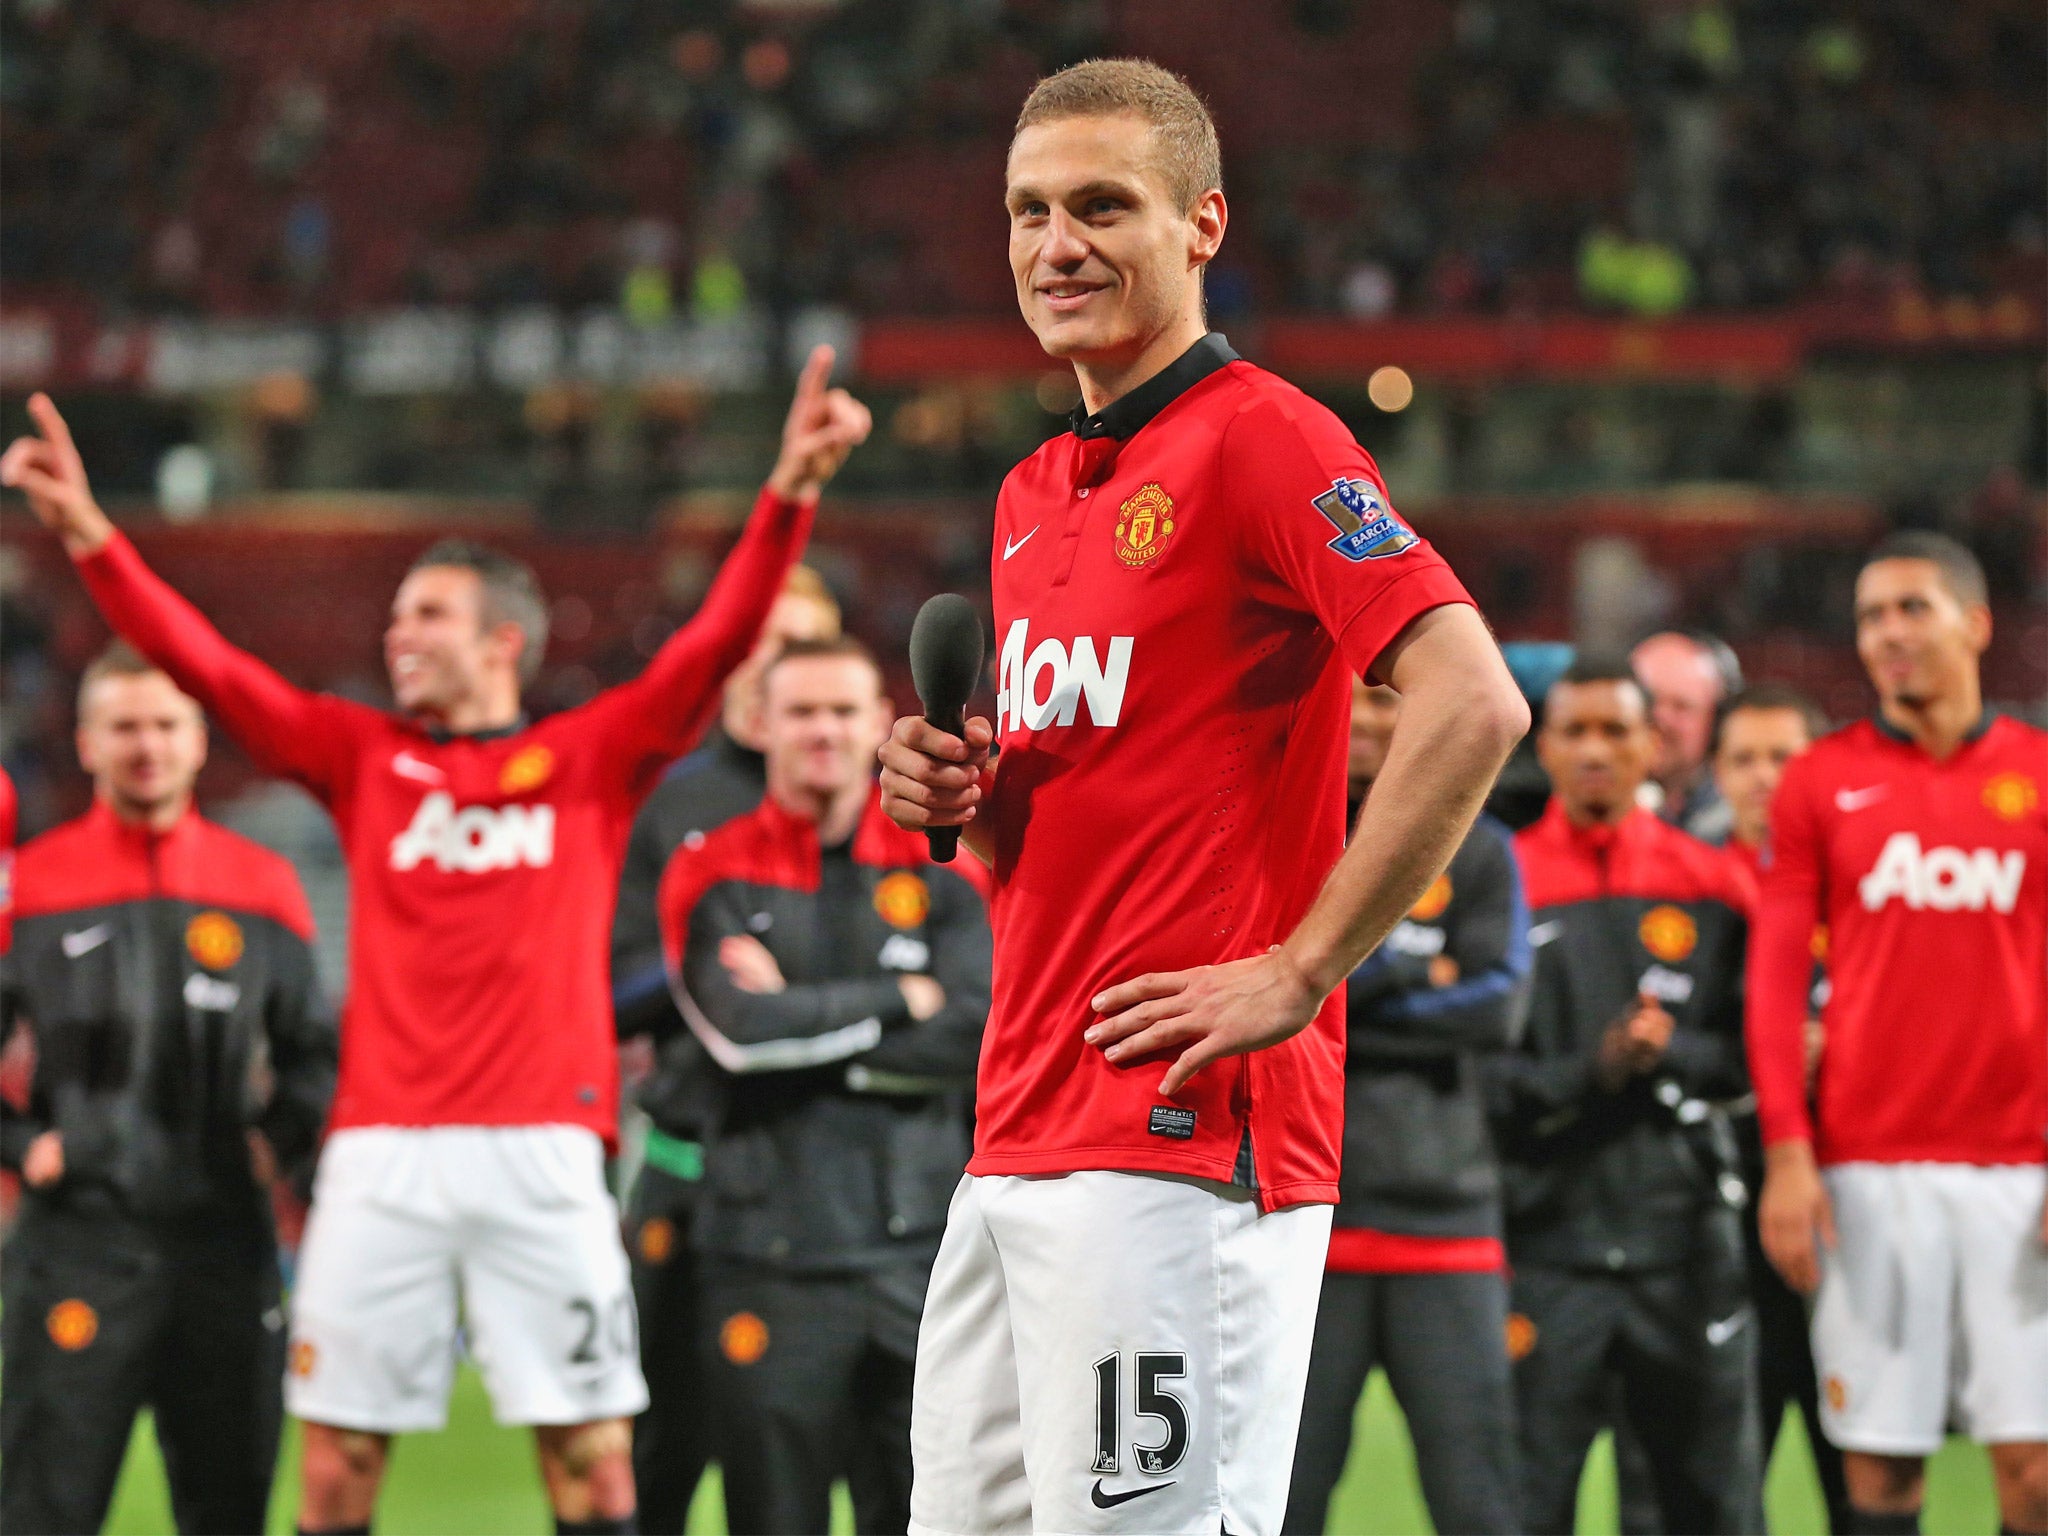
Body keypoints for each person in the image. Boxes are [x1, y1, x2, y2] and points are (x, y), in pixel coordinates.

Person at [0, 352, 868, 1536]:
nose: (396, 630)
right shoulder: (363, 759)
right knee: (336, 1473)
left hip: (544, 1153)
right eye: (398, 612)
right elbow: (209, 665)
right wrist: (94, 535)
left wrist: (787, 492)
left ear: (501, 640)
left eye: (426, 614)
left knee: (597, 1471)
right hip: (382, 1159)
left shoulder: (588, 758)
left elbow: (713, 646)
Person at [877, 59, 1528, 1536]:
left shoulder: (1268, 438)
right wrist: (963, 794)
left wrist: (1303, 968)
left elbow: (1474, 699)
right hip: (1020, 1126)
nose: (1059, 245)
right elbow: (1058, 828)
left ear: (1201, 225)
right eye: (1029, 212)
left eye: (1104, 205)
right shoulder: (1033, 487)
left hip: (1180, 1146)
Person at [1, 644, 336, 1535]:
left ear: (197, 742)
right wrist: (21, 1144)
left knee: (229, 1510)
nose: (144, 745)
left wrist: (278, 1142)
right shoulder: (29, 885)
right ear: (85, 743)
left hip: (225, 1246)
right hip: (77, 1242)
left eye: (164, 724)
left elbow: (316, 1054)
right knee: (41, 1511)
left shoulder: (261, 884)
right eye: (122, 726)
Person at [1750, 532, 2048, 1536]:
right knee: (1876, 1475)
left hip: (2021, 1168)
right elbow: (1775, 982)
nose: (1886, 633)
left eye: (1910, 608)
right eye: (1870, 615)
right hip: (1861, 1169)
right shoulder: (1818, 783)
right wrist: (1787, 1155)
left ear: (1974, 623)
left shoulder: (2038, 777)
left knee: (2034, 1471)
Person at [658, 636, 990, 1534]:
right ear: (760, 724)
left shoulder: (946, 861)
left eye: (844, 712)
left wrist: (809, 1026)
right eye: (801, 711)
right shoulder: (710, 865)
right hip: (767, 1257)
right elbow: (737, 1034)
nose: (823, 732)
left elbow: (978, 1032)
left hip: (919, 1252)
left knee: (929, 1514)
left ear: (880, 727)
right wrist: (900, 1001)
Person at [1486, 658, 1764, 1536]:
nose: (1597, 750)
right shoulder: (1505, 879)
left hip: (1683, 1245)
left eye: (1617, 730)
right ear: (1546, 748)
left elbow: (1756, 1060)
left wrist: (1670, 1051)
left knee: (1710, 1507)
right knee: (1527, 1507)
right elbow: (1482, 1080)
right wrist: (1592, 1072)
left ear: (1654, 745)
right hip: (1545, 1245)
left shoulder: (1715, 883)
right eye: (1575, 731)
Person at [611, 563, 841, 1534]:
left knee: (840, 1462)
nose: (771, 665)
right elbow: (612, 989)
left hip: (842, 1187)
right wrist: (706, 966)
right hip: (691, 1169)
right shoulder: (667, 802)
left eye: (798, 643)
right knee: (655, 1452)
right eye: (758, 640)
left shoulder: (878, 805)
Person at [1282, 679, 1530, 1536]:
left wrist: (1316, 986)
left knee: (1479, 1505)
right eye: (1347, 699)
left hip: (1447, 1219)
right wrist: (1422, 973)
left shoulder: (1482, 850)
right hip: (1306, 1219)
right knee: (1282, 1500)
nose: (1364, 719)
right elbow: (1254, 1007)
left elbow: (1499, 1008)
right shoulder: (1278, 841)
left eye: (1386, 699)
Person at [1709, 681, 1854, 1534]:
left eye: (1784, 757)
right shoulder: (1691, 883)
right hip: (1723, 1204)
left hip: (1849, 1190)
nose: (1766, 777)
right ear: (1716, 773)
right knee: (1729, 1460)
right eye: (1745, 759)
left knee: (1865, 1449)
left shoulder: (1870, 882)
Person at [1631, 630, 1739, 841]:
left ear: (1717, 721)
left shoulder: (1736, 826)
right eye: (1649, 702)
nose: (1661, 720)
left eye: (1681, 707)